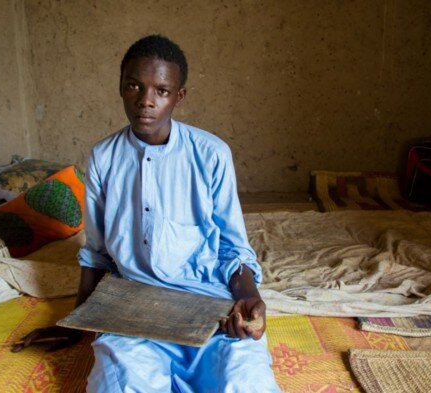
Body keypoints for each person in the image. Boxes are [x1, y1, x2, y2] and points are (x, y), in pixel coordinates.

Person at [14, 34, 280, 393]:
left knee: (245, 382)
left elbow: (233, 248)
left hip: (210, 307)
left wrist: (249, 296)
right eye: (134, 86)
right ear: (121, 88)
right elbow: (97, 253)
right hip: (131, 311)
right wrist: (74, 321)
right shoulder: (104, 158)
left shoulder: (211, 154)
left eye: (162, 91)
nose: (146, 101)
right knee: (119, 386)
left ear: (179, 97)